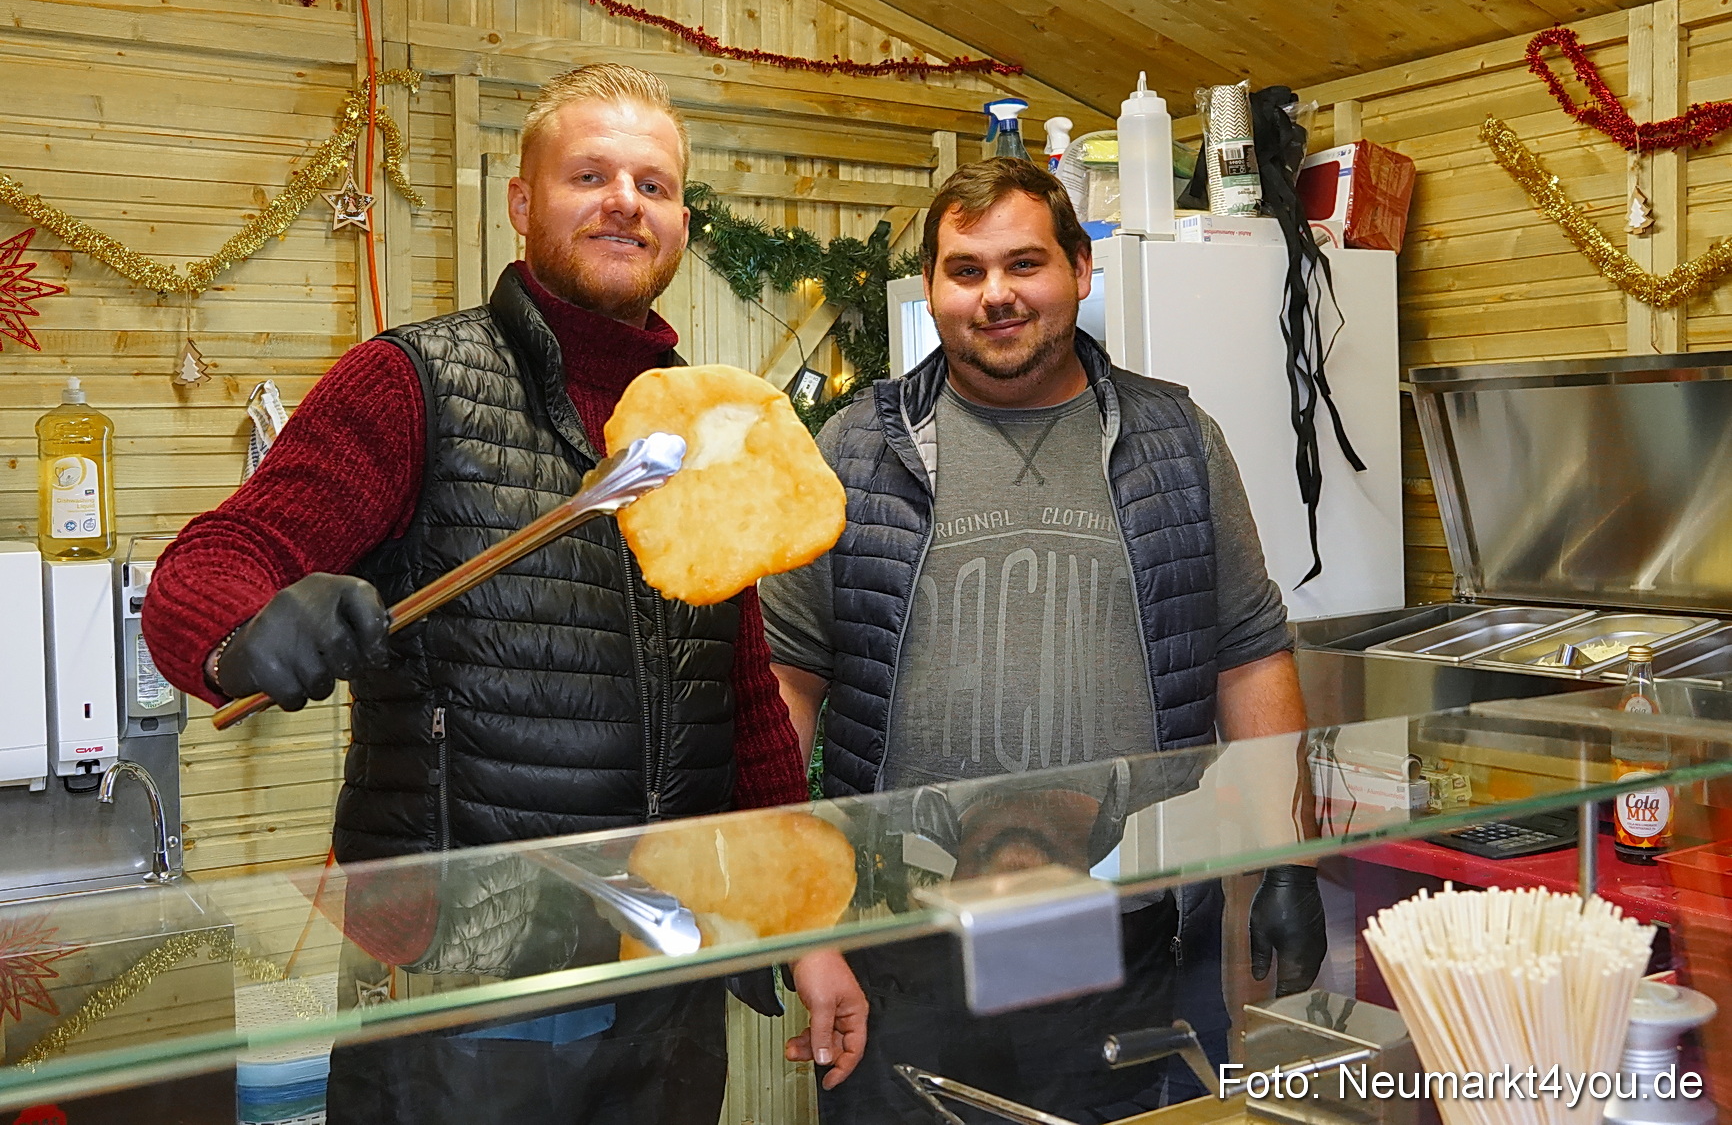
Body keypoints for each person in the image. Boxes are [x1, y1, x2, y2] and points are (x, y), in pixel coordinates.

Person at [143, 62, 864, 1125]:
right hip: (461, 988)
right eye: (590, 174)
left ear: (680, 220)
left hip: (664, 976)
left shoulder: (705, 422)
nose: (625, 200)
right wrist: (242, 635)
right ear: (522, 203)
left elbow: (743, 700)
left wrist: (812, 937)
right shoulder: (412, 383)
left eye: (654, 185)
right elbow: (209, 564)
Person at [760, 156, 1327, 1122]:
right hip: (905, 932)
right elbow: (786, 685)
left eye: (1024, 264)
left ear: (1079, 269)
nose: (995, 296)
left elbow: (1247, 651)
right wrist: (794, 919)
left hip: (1117, 920)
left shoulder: (1175, 439)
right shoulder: (855, 446)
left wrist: (1289, 863)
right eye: (965, 270)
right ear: (935, 287)